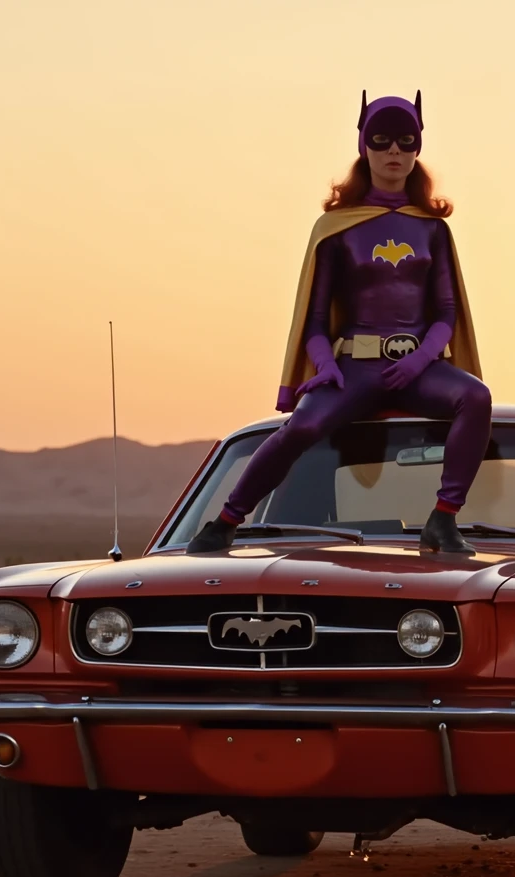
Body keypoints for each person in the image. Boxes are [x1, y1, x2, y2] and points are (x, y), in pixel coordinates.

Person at [187, 90, 492, 555]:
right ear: (364, 146)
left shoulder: (432, 227)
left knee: (476, 397)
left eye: (406, 142)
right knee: (303, 428)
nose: (394, 151)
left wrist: (422, 359)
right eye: (383, 140)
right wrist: (325, 365)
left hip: (417, 367)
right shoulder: (337, 227)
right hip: (353, 368)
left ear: (418, 149)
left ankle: (444, 519)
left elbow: (447, 311)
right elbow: (314, 317)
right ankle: (226, 521)